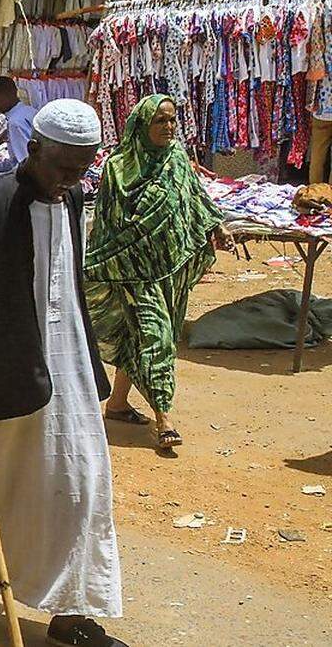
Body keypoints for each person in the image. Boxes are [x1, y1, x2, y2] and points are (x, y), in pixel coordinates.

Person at [0, 99, 126, 647]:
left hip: (68, 369)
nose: (72, 179)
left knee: (81, 483)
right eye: (64, 166)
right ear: (33, 147)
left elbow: (67, 284)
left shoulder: (74, 197)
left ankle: (70, 611)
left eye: (82, 168)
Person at [84, 95, 228, 450]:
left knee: (139, 337)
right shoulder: (118, 168)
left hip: (170, 271)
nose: (168, 127)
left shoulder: (177, 158)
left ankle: (117, 404)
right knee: (156, 336)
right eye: (160, 121)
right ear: (141, 125)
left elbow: (195, 197)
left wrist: (216, 226)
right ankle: (164, 417)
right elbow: (106, 223)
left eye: (172, 120)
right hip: (133, 272)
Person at [0, 76, 36, 173]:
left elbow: (26, 163)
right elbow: (14, 161)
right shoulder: (29, 111)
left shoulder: (15, 123)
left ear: (7, 97)